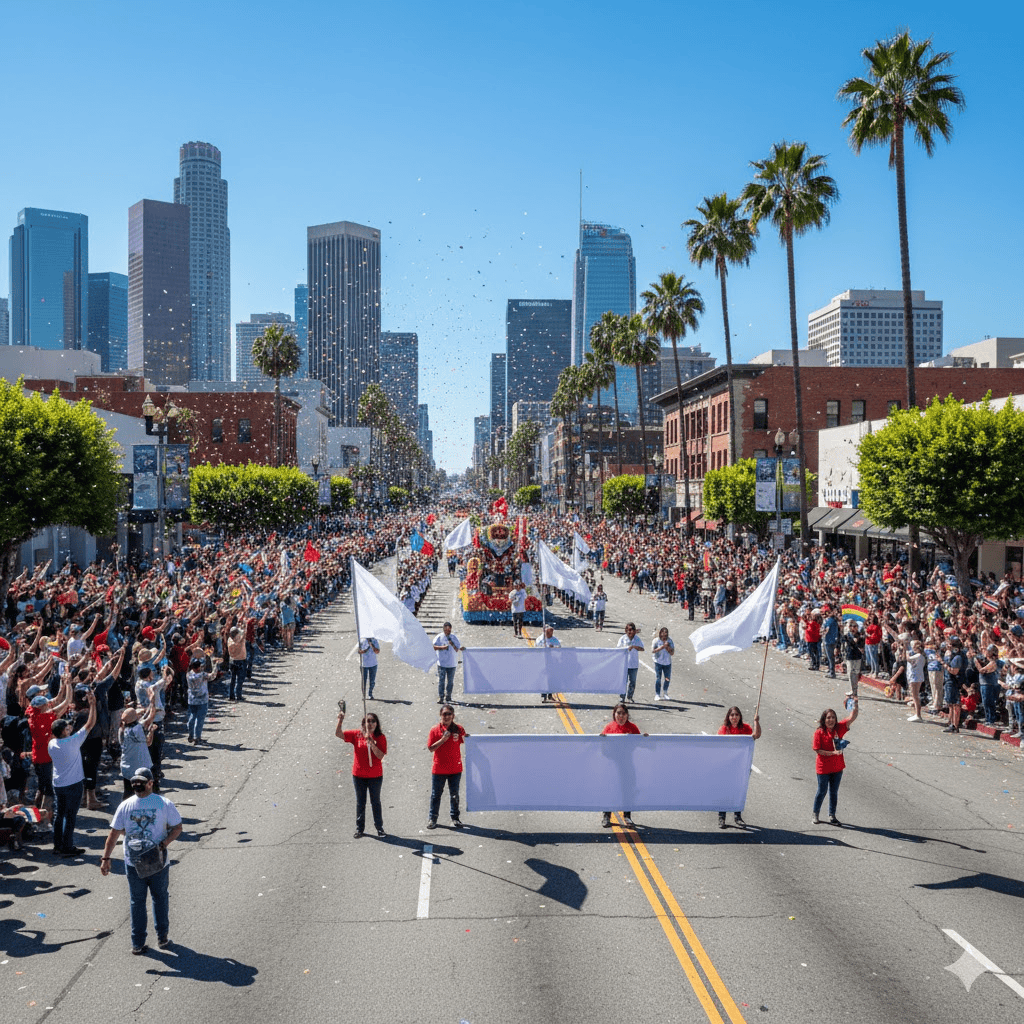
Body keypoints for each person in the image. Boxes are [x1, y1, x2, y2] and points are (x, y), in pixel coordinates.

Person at [100, 767, 183, 956]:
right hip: (158, 861)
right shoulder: (164, 803)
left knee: (137, 902)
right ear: (151, 783)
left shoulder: (125, 806)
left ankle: (137, 943)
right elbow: (177, 828)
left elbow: (113, 834)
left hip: (133, 862)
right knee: (160, 898)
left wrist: (106, 859)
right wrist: (164, 844)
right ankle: (162, 937)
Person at [48, 689, 97, 857]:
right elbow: (89, 724)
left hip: (58, 784)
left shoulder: (52, 743)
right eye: (67, 727)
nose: (70, 728)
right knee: (70, 817)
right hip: (73, 784)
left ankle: (57, 845)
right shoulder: (73, 742)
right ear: (63, 732)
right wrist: (93, 705)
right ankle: (67, 847)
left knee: (59, 815)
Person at [335, 707, 387, 838]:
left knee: (375, 802)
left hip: (375, 776)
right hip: (359, 776)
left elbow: (380, 756)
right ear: (363, 724)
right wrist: (340, 721)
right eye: (367, 721)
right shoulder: (356, 734)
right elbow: (339, 734)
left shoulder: (380, 737)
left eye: (372, 721)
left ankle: (379, 828)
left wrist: (372, 743)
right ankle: (360, 828)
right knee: (360, 802)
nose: (369, 724)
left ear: (377, 723)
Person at [599, 703, 648, 828]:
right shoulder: (609, 728)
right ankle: (606, 816)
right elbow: (602, 750)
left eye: (623, 713)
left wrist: (646, 739)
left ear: (627, 715)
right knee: (610, 789)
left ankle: (627, 816)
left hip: (627, 764)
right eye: (618, 713)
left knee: (628, 789)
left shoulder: (633, 728)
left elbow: (640, 745)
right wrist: (601, 740)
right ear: (614, 714)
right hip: (611, 764)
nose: (621, 716)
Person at [812, 700, 859, 826]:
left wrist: (855, 704)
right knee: (822, 791)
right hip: (823, 768)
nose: (831, 720)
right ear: (824, 719)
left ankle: (832, 815)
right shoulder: (819, 732)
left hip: (837, 768)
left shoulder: (839, 728)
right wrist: (832, 753)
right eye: (828, 718)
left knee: (834, 792)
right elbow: (817, 749)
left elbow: (852, 716)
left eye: (833, 717)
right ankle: (815, 813)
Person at [717, 706, 761, 828]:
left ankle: (738, 816)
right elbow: (718, 745)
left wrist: (756, 721)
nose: (734, 717)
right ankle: (722, 817)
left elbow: (756, 735)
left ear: (740, 716)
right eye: (732, 715)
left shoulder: (745, 728)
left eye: (736, 715)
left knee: (739, 791)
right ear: (728, 717)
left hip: (741, 765)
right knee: (725, 791)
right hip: (726, 766)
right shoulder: (724, 729)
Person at [426, 704, 468, 829]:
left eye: (449, 714)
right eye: (444, 714)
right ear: (440, 715)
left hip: (455, 768)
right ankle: (432, 818)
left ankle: (455, 818)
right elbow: (430, 748)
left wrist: (460, 737)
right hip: (439, 769)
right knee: (436, 795)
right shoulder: (435, 730)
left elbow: (468, 741)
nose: (447, 716)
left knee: (454, 794)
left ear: (453, 716)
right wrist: (443, 740)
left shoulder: (459, 729)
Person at [119, 701, 158, 796]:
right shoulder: (137, 729)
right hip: (141, 768)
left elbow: (147, 743)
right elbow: (150, 718)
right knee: (147, 793)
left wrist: (151, 732)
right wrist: (153, 702)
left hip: (126, 768)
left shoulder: (122, 729)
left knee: (128, 794)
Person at [432, 622, 464, 705]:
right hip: (442, 663)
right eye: (446, 629)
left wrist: (452, 643)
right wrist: (443, 647)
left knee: (450, 681)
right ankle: (441, 697)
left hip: (452, 664)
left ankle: (448, 696)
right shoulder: (439, 637)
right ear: (443, 629)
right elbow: (433, 647)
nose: (447, 631)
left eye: (449, 629)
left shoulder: (453, 637)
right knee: (441, 681)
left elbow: (457, 649)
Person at [185, 656, 212, 744]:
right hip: (202, 699)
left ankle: (191, 734)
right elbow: (212, 676)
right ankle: (197, 737)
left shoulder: (188, 674)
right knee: (200, 719)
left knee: (192, 717)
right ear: (198, 667)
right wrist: (215, 665)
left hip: (192, 699)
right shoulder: (202, 675)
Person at [943, 637, 967, 734]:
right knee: (951, 704)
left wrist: (944, 665)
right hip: (950, 681)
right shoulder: (953, 655)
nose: (947, 645)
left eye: (949, 644)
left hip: (953, 681)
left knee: (955, 704)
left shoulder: (958, 657)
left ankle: (955, 725)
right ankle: (952, 723)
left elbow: (954, 671)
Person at [616, 622, 644, 702]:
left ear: (635, 631)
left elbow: (642, 648)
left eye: (631, 630)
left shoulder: (637, 639)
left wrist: (634, 647)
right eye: (628, 630)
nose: (630, 632)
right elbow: (618, 649)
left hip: (633, 664)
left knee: (632, 682)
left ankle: (630, 696)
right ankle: (622, 697)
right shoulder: (622, 639)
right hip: (624, 663)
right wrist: (625, 648)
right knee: (623, 681)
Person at [537, 623, 560, 702]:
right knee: (544, 678)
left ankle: (550, 694)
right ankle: (544, 695)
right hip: (542, 661)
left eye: (551, 631)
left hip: (552, 662)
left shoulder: (554, 640)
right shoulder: (540, 639)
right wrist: (543, 648)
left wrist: (553, 648)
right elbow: (536, 649)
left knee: (551, 678)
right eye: (549, 631)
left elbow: (559, 649)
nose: (551, 633)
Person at [905, 640, 926, 722]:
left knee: (915, 696)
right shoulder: (918, 656)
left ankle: (918, 714)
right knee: (914, 695)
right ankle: (916, 713)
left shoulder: (919, 656)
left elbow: (908, 659)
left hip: (916, 677)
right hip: (914, 676)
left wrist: (906, 651)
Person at [652, 627, 675, 701]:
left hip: (667, 662)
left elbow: (672, 653)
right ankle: (657, 694)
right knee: (658, 678)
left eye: (665, 636)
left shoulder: (670, 641)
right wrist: (662, 647)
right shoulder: (656, 641)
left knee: (667, 678)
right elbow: (653, 651)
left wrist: (667, 647)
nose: (664, 638)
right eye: (662, 636)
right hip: (658, 661)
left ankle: (665, 693)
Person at [843, 622, 865, 698]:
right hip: (850, 655)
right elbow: (844, 641)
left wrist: (858, 640)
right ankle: (852, 690)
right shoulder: (847, 635)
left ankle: (855, 690)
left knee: (856, 673)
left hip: (857, 656)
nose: (853, 628)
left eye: (855, 626)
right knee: (850, 673)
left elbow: (862, 645)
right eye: (851, 626)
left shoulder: (860, 635)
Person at [227, 625, 247, 701]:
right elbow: (237, 645)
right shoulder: (233, 641)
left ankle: (232, 695)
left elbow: (243, 631)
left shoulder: (230, 639)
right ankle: (238, 695)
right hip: (239, 660)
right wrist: (241, 639)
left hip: (234, 661)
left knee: (233, 679)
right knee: (239, 679)